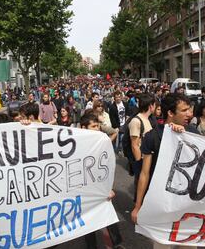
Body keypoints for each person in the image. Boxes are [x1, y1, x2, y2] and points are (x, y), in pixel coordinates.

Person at [131, 93, 198, 249]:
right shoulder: (152, 137)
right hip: (162, 204)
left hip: (187, 205)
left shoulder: (193, 133)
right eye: (185, 110)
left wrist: (184, 136)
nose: (190, 114)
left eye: (190, 109)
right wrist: (138, 206)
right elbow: (144, 173)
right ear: (170, 113)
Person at [79, 112, 124, 249]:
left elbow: (105, 169)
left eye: (98, 126)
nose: (98, 129)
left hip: (101, 191)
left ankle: (116, 244)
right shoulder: (73, 145)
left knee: (107, 217)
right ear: (83, 128)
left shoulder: (101, 143)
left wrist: (108, 188)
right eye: (94, 126)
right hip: (84, 192)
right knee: (87, 223)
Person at [128, 93, 155, 192]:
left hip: (148, 159)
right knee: (140, 188)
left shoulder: (148, 119)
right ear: (150, 106)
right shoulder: (136, 121)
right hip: (142, 161)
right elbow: (134, 145)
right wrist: (139, 164)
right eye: (154, 105)